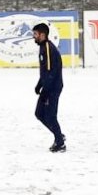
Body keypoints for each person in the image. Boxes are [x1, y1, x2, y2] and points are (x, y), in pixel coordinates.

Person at [32, 23, 66, 152]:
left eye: (35, 34)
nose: (33, 37)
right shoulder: (42, 47)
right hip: (48, 86)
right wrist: (39, 84)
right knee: (39, 113)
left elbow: (51, 72)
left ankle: (60, 143)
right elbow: (46, 71)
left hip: (53, 87)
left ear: (42, 34)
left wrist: (45, 90)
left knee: (51, 115)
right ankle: (59, 135)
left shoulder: (47, 47)